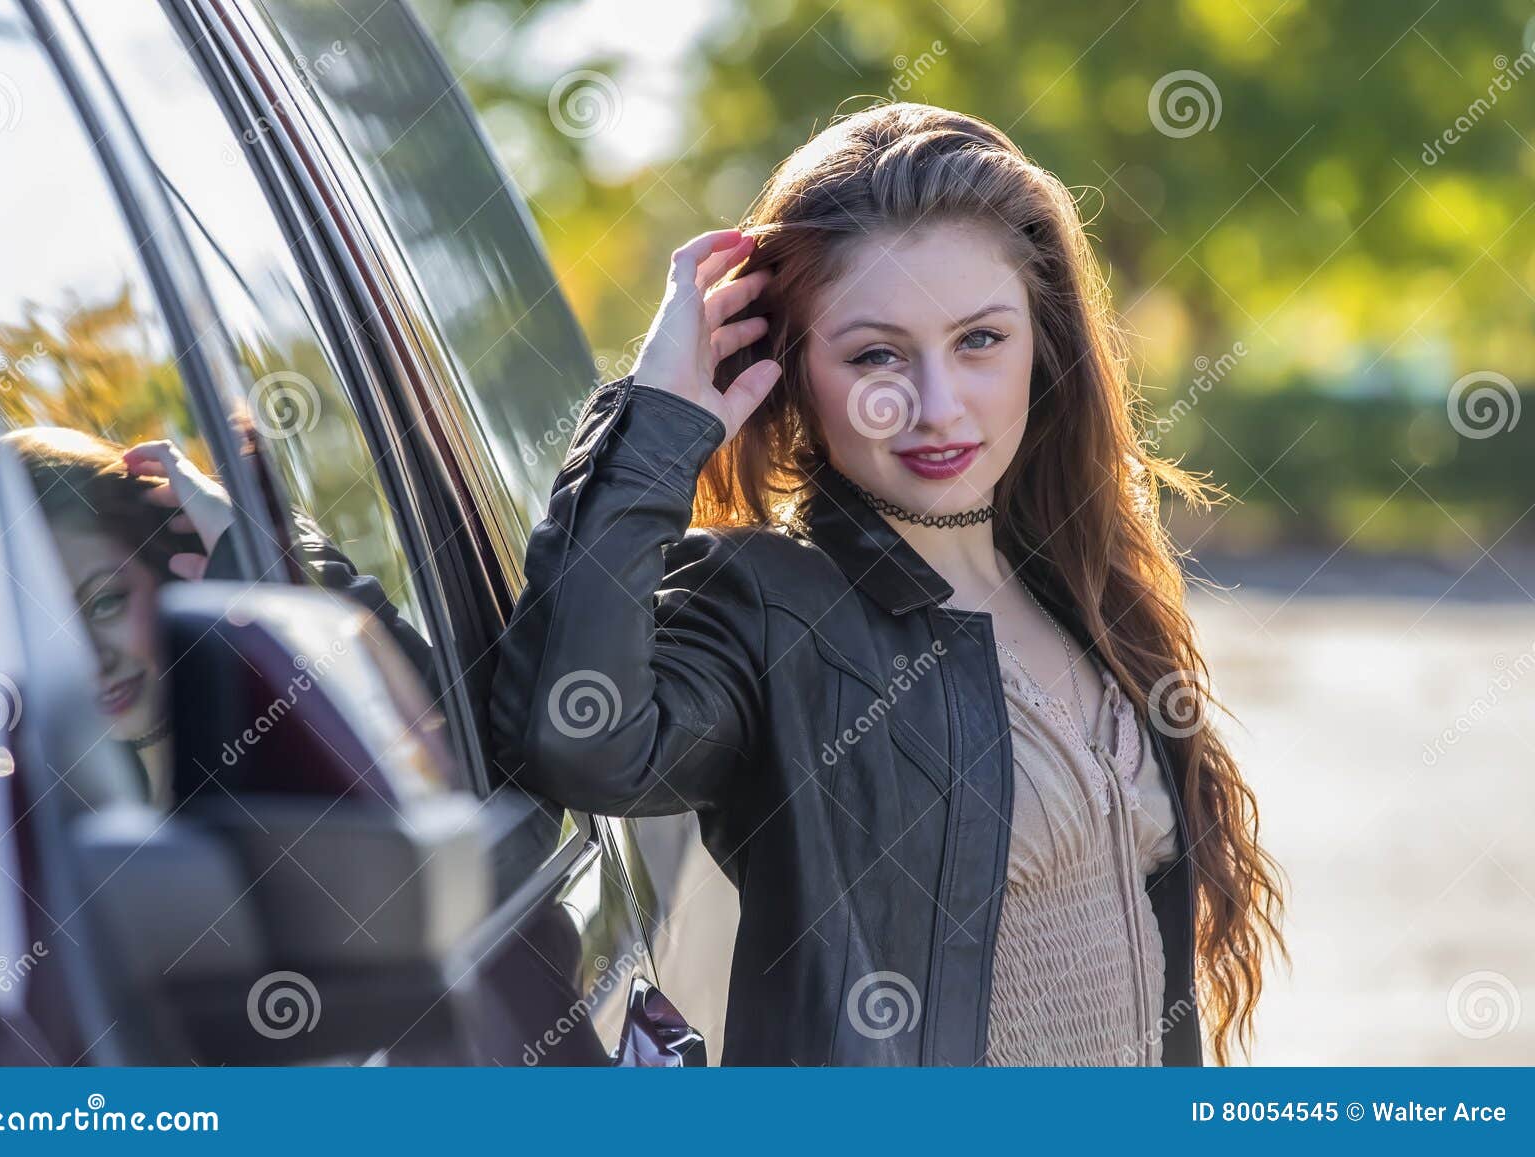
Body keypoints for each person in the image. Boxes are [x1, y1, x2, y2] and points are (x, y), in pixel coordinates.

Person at [490, 102, 1285, 1067]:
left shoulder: (1084, 587)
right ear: (790, 370)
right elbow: (574, 739)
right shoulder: (773, 609)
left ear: (1045, 342)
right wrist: (655, 424)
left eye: (980, 341)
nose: (935, 406)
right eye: (875, 354)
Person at [2, 426, 434, 805]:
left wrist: (267, 576)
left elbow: (427, 736)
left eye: (106, 602)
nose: (91, 659)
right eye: (42, 629)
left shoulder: (267, 746)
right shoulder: (43, 842)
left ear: (164, 567)